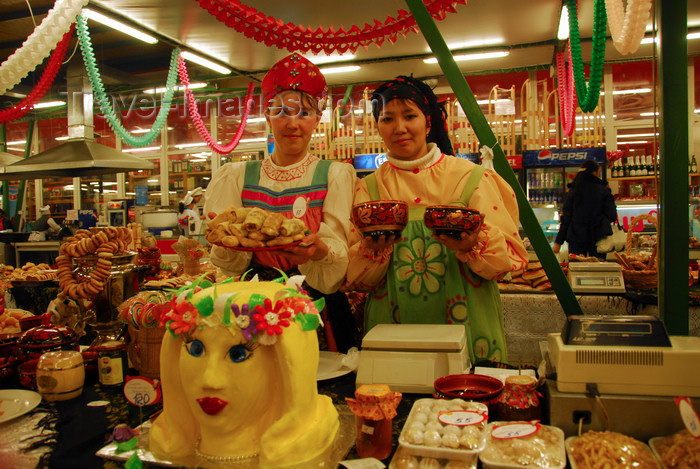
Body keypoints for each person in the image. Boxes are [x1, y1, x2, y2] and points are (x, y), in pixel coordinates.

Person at [344, 76, 528, 363]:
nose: (400, 128)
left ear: (428, 122)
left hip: (469, 325)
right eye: (387, 118)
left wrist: (472, 245)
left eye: (409, 116)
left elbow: (509, 262)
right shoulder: (368, 188)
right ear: (378, 126)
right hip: (392, 329)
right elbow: (357, 280)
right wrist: (373, 250)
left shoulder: (472, 177)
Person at [203, 53, 358, 353]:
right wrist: (222, 237)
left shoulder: (334, 175)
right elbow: (228, 262)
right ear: (267, 115)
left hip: (316, 308)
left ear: (317, 118)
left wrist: (319, 251)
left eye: (303, 113)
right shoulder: (236, 177)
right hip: (251, 305)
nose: (292, 124)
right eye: (282, 112)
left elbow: (339, 257)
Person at [148, 279, 339, 466]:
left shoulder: (304, 447)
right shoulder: (166, 437)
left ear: (287, 367)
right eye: (196, 349)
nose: (210, 380)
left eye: (237, 354)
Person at [553, 160, 617, 260]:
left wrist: (558, 242)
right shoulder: (604, 190)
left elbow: (566, 218)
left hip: (576, 238)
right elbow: (612, 215)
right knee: (598, 270)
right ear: (595, 173)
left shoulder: (574, 191)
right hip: (598, 238)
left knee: (577, 271)